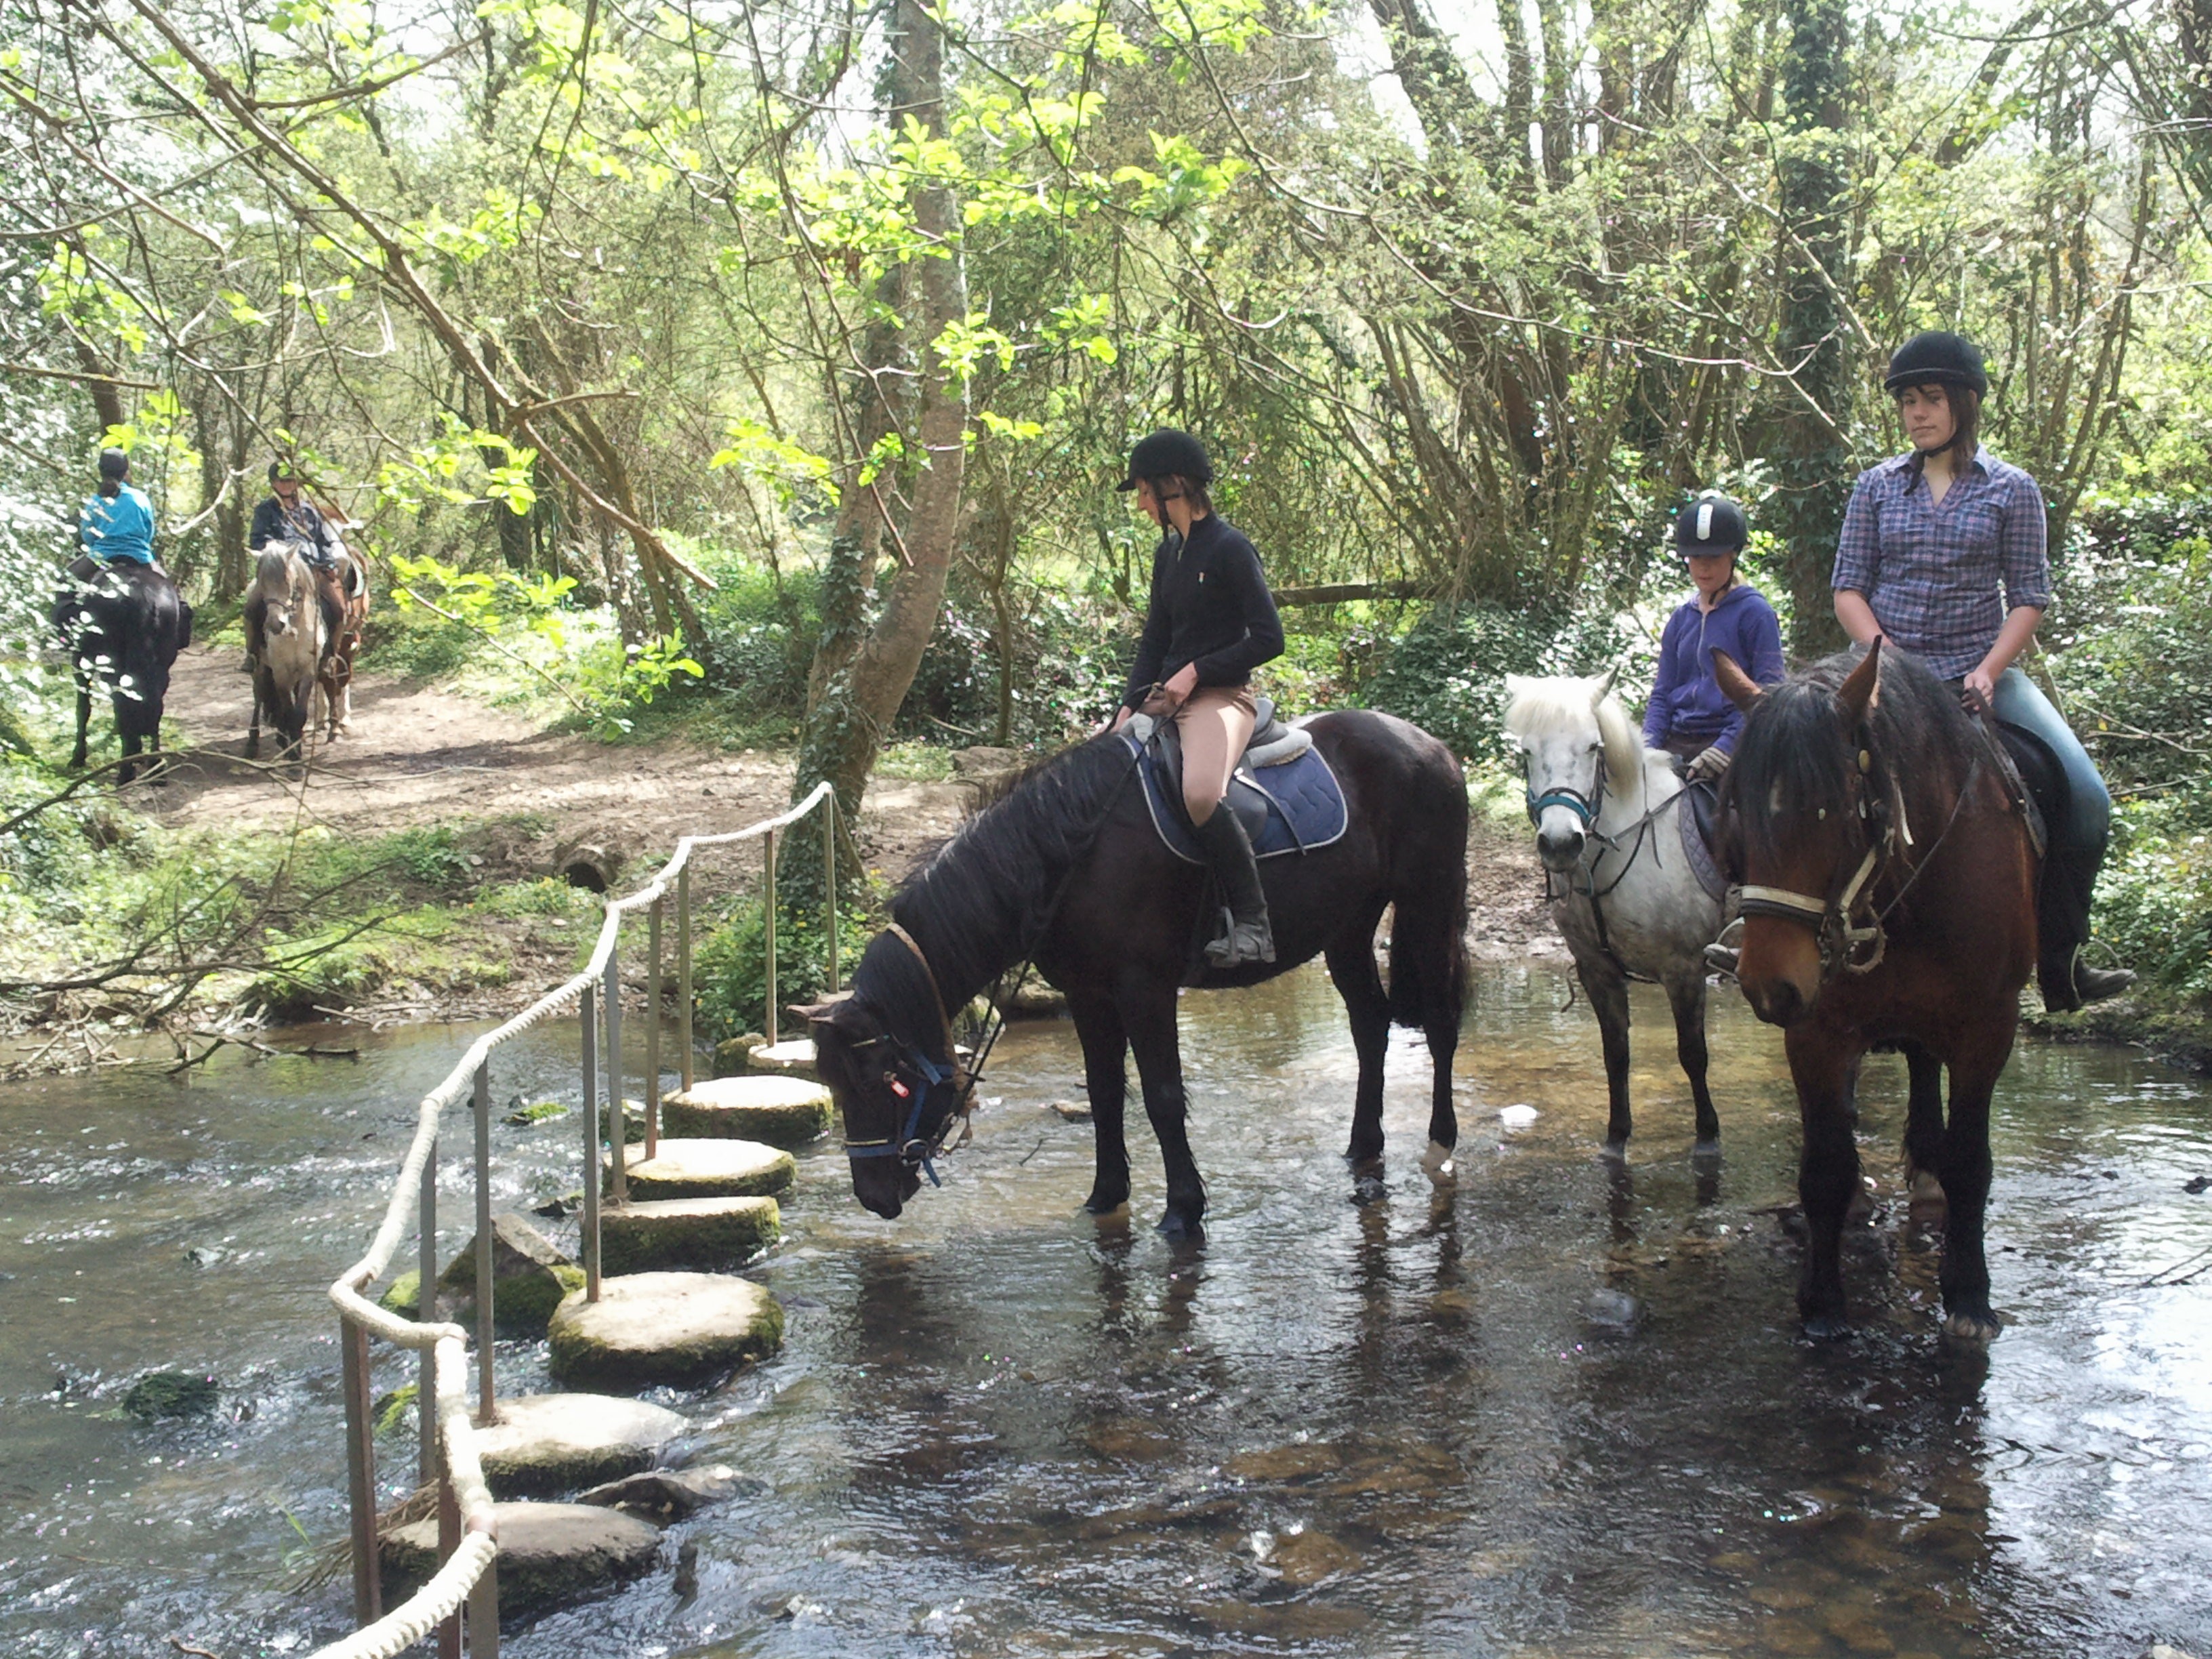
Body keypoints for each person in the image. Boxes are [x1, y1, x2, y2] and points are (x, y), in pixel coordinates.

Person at [1831, 329, 2133, 1010]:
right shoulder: (1875, 488)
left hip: (1978, 672)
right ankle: (1776, 936)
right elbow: (1848, 586)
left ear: (1964, 403)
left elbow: (2029, 594)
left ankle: (2062, 960)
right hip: (1885, 674)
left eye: (1931, 398)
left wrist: (1992, 668)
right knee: (1796, 773)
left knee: (2087, 800)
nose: (1916, 413)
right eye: (1908, 401)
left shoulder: (2012, 491)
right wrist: (1882, 659)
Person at [1111, 429, 1285, 967]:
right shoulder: (1170, 555)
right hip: (1168, 699)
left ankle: (1253, 924)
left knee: (1202, 794)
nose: (1140, 504)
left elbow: (1269, 638)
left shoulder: (1230, 548)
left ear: (1174, 486)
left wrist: (1197, 670)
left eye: (1144, 491)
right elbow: (1154, 642)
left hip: (1222, 698)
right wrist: (1124, 709)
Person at [1643, 490, 1784, 780]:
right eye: (1695, 557)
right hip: (1678, 742)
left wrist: (1726, 746)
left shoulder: (1755, 614)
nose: (1703, 566)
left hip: (1734, 744)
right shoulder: (1681, 619)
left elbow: (1769, 693)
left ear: (1733, 555)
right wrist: (1647, 746)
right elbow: (1663, 693)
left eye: (1714, 557)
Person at [245, 457, 343, 673]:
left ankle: (330, 656)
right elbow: (258, 540)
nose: (287, 485)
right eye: (282, 481)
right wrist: (280, 552)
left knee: (338, 608)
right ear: (273, 483)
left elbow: (323, 541)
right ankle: (253, 653)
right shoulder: (265, 511)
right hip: (279, 571)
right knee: (252, 605)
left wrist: (329, 562)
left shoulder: (309, 511)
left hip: (312, 571)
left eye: (290, 481)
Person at [72, 448, 158, 577]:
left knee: (64, 582)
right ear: (125, 471)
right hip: (140, 556)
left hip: (101, 555)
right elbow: (149, 532)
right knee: (170, 590)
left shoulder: (95, 501)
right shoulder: (141, 498)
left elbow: (88, 535)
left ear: (101, 471)